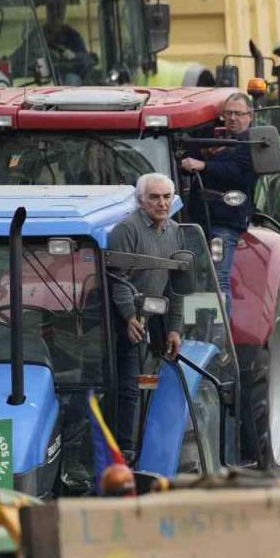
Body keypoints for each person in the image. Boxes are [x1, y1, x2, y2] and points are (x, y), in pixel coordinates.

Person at [107, 173, 185, 458]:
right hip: (119, 318)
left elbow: (177, 285)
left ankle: (143, 444)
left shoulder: (175, 231)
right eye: (154, 197)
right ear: (141, 201)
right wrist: (129, 316)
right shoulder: (127, 230)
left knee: (147, 381)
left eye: (166, 197)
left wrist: (174, 328)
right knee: (128, 386)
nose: (161, 203)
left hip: (151, 315)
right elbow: (118, 279)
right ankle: (124, 451)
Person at [180, 93, 256, 318]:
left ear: (250, 116)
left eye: (238, 113)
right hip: (199, 220)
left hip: (226, 222)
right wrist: (202, 154)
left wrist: (204, 164)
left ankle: (221, 334)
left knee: (219, 279)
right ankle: (196, 328)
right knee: (195, 280)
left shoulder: (251, 142)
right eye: (228, 113)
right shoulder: (213, 139)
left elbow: (239, 172)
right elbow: (187, 160)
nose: (232, 118)